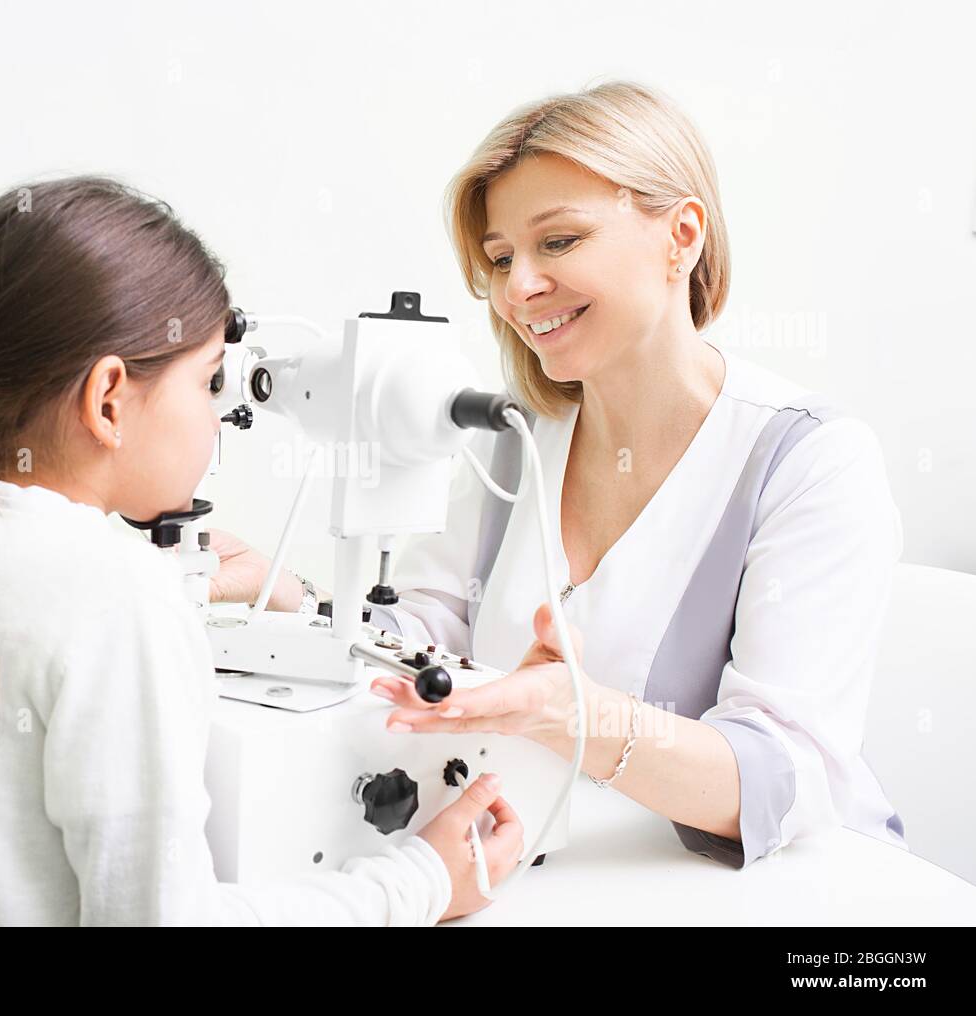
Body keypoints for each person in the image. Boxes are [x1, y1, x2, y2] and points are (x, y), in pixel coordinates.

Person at [217, 81, 907, 870]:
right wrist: (293, 598)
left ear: (682, 235)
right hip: (565, 867)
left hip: (790, 889)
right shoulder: (515, 437)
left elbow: (783, 779)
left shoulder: (810, 461)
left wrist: (577, 717)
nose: (517, 289)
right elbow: (426, 636)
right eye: (502, 257)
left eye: (560, 242)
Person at [0, 175, 523, 926]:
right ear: (109, 399)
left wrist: (270, 594)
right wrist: (423, 881)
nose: (217, 419)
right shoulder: (113, 593)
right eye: (210, 382)